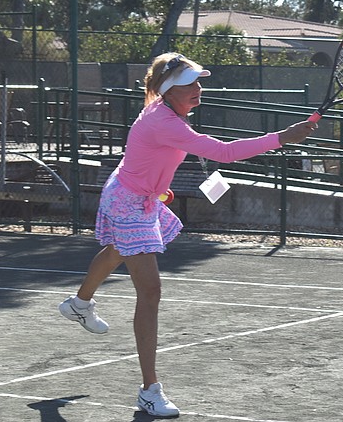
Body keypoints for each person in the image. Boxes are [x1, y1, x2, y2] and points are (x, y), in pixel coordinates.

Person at [58, 53, 317, 418]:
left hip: (134, 193)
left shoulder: (165, 114)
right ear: (169, 89)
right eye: (190, 83)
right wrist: (281, 137)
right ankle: (150, 391)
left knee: (117, 251)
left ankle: (79, 304)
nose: (198, 89)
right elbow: (223, 153)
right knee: (150, 291)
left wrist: (157, 187)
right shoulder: (164, 121)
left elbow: (145, 156)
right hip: (128, 200)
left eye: (198, 82)